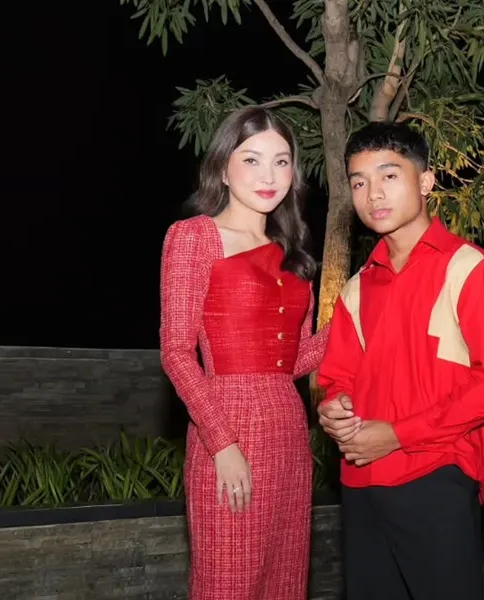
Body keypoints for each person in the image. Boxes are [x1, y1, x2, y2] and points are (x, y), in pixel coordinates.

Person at [315, 121, 484, 600]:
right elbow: (336, 378)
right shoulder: (357, 287)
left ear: (426, 181)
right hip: (361, 479)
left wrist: (397, 434)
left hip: (436, 474)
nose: (373, 193)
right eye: (359, 182)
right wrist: (334, 408)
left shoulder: (470, 269)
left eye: (389, 175)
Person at [159, 106, 330, 600]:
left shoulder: (294, 255)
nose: (268, 176)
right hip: (226, 426)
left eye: (281, 161)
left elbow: (292, 363)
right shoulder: (194, 237)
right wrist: (223, 444)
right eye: (252, 160)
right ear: (222, 168)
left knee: (284, 584)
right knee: (227, 583)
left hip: (289, 433)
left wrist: (348, 324)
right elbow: (176, 353)